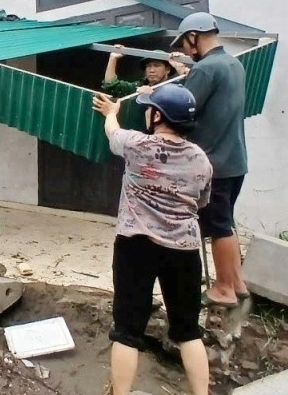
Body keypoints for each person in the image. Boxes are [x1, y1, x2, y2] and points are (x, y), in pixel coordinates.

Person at [93, 85, 212, 395]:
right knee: (188, 330)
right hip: (184, 250)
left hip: (136, 246)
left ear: (157, 115)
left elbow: (112, 132)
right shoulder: (201, 160)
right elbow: (201, 203)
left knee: (127, 330)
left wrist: (112, 112)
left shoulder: (137, 145)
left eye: (149, 107)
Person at [147, 11, 249, 308]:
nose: (186, 49)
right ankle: (237, 283)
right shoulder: (234, 64)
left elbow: (183, 110)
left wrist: (153, 97)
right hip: (235, 159)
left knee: (218, 227)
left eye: (186, 42)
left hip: (213, 162)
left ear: (195, 36)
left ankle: (223, 289)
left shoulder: (206, 69)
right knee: (227, 223)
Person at [102, 44, 178, 98]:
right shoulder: (139, 86)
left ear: (167, 69)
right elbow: (112, 86)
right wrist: (113, 58)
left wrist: (152, 95)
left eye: (156, 65)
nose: (152, 70)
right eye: (148, 66)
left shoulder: (175, 89)